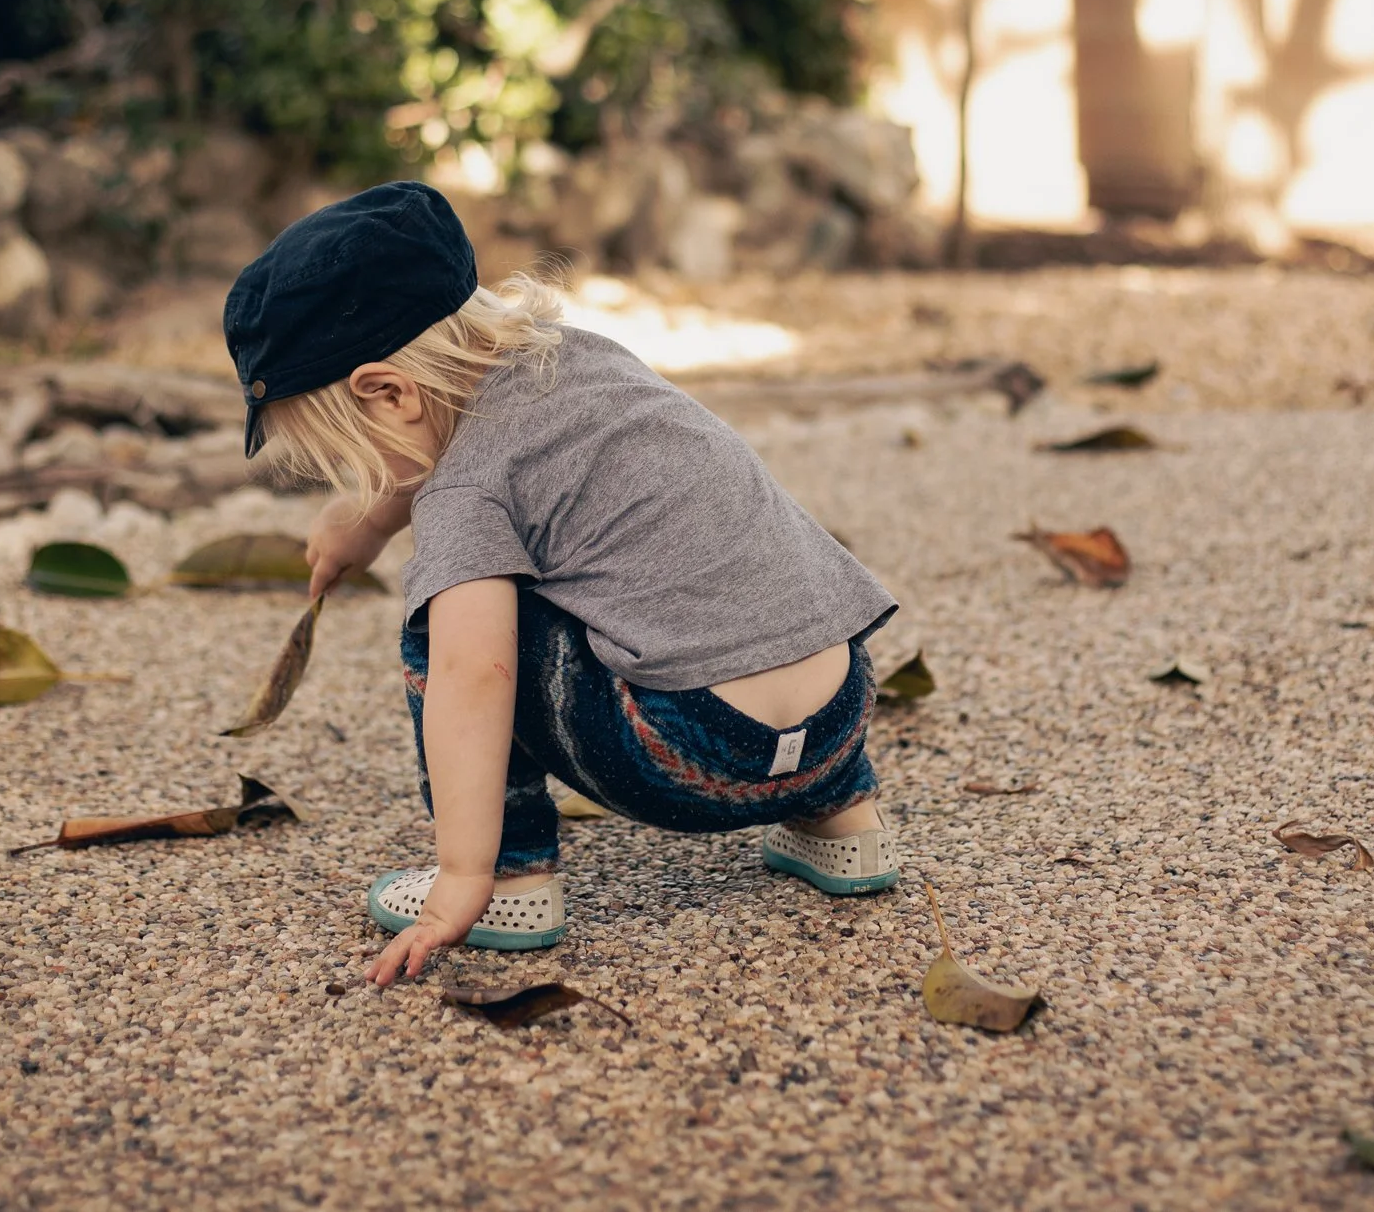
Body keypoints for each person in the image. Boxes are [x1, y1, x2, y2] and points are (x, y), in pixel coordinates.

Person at [223, 182, 902, 986]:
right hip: (840, 716)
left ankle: (510, 879)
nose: (354, 474)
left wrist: (459, 878)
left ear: (388, 391)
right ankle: (843, 822)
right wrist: (368, 519)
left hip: (691, 754)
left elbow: (479, 674)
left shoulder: (463, 496)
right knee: (728, 583)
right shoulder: (580, 359)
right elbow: (474, 446)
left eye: (347, 456)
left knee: (451, 620)